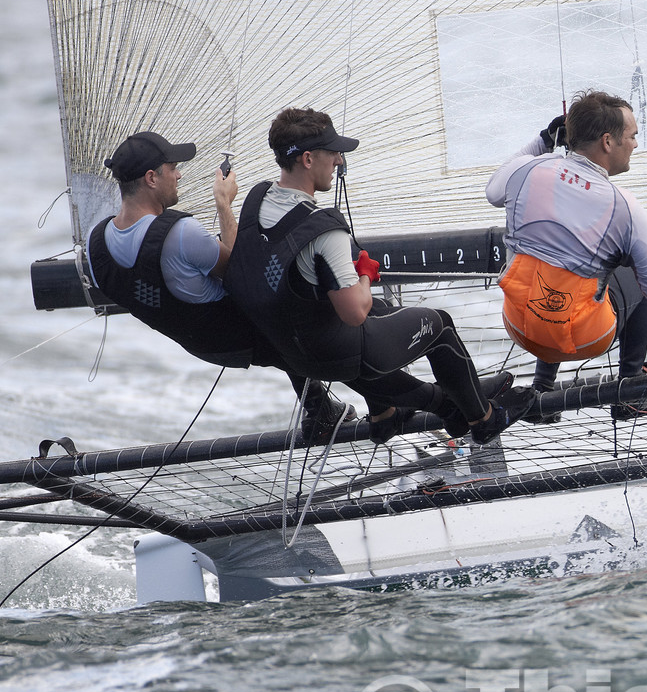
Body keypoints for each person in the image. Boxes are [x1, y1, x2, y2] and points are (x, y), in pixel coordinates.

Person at [224, 108, 529, 445]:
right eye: (333, 152)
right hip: (337, 355)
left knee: (381, 308)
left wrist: (224, 205)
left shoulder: (256, 198)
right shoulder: (325, 229)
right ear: (308, 159)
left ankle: (386, 416)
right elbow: (354, 312)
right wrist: (364, 274)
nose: (339, 161)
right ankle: (483, 418)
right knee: (439, 324)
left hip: (292, 353)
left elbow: (245, 258)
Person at [85, 130, 348, 439]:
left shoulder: (94, 243)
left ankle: (322, 408)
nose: (180, 175)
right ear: (152, 178)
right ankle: (386, 407)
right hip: (245, 337)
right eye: (173, 169)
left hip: (202, 345)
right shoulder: (181, 233)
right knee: (337, 315)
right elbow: (246, 276)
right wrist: (224, 204)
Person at [484, 90, 647, 420]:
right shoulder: (625, 207)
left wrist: (543, 140)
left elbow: (492, 190)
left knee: (550, 268)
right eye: (633, 136)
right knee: (643, 278)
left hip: (519, 326)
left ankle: (543, 387)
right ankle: (631, 387)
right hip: (585, 339)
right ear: (608, 142)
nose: (636, 144)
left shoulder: (525, 171)